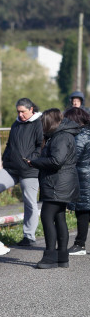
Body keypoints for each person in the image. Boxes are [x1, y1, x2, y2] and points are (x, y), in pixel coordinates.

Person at [27, 109, 80, 269]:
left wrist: (35, 162)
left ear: (50, 122)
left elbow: (56, 161)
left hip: (58, 184)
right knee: (59, 218)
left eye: (43, 122)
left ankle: (50, 256)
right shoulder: (61, 135)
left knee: (47, 216)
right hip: (61, 183)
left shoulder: (61, 137)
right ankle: (62, 257)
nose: (41, 126)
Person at [0, 98, 43, 247]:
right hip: (11, 168)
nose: (20, 114)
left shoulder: (39, 123)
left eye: (23, 111)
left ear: (31, 110)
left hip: (29, 170)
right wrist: (6, 159)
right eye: (18, 111)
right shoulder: (16, 124)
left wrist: (31, 160)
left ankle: (29, 236)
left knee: (29, 201)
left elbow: (40, 146)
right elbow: (10, 144)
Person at [64, 107, 90, 255]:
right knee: (85, 212)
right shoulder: (87, 132)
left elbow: (74, 156)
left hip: (83, 178)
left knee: (82, 212)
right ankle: (79, 244)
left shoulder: (81, 136)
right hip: (85, 176)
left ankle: (80, 244)